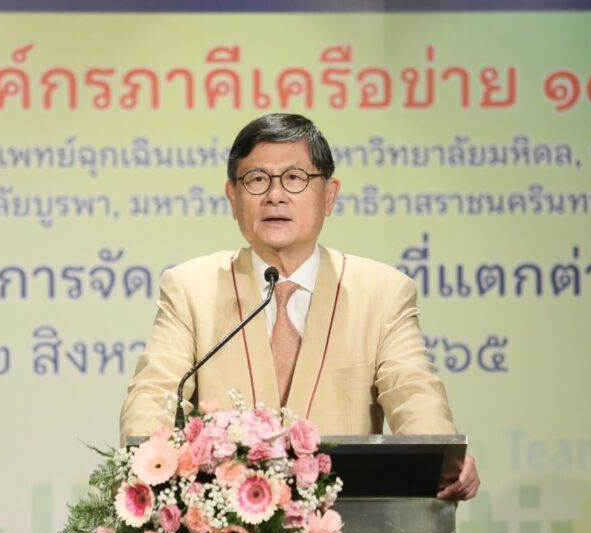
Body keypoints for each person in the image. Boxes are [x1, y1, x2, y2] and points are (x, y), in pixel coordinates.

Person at [120, 113, 480, 501]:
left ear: (329, 195)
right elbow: (154, 396)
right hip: (225, 527)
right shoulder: (191, 289)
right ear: (233, 197)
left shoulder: (381, 293)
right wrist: (150, 468)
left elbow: (413, 394)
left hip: (345, 522)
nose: (275, 195)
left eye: (295, 178)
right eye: (257, 180)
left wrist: (441, 458)